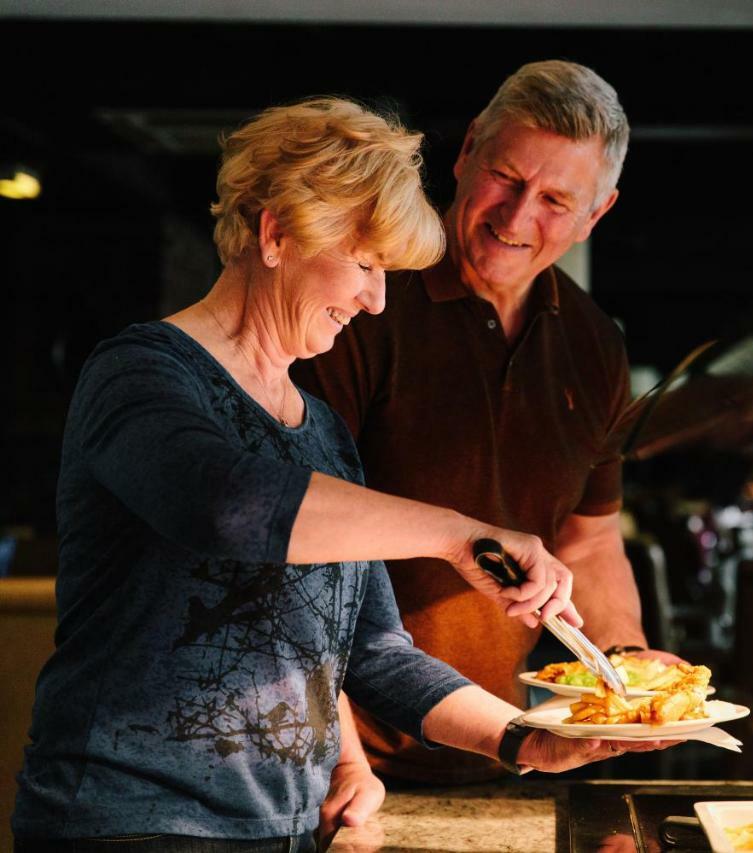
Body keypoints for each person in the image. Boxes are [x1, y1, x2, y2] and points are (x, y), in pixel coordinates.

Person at [11, 97, 667, 853]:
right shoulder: (141, 372)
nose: (376, 297)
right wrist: (459, 534)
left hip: (287, 831)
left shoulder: (318, 429)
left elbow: (374, 651)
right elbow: (228, 505)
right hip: (129, 823)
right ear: (276, 232)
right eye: (363, 263)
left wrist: (520, 740)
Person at [294, 60, 678, 785]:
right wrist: (338, 759)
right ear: (468, 149)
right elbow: (296, 533)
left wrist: (626, 661)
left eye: (556, 199)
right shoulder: (364, 298)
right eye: (507, 177)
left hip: (498, 744)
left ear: (598, 213)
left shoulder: (595, 344)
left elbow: (589, 541)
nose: (515, 217)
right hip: (336, 759)